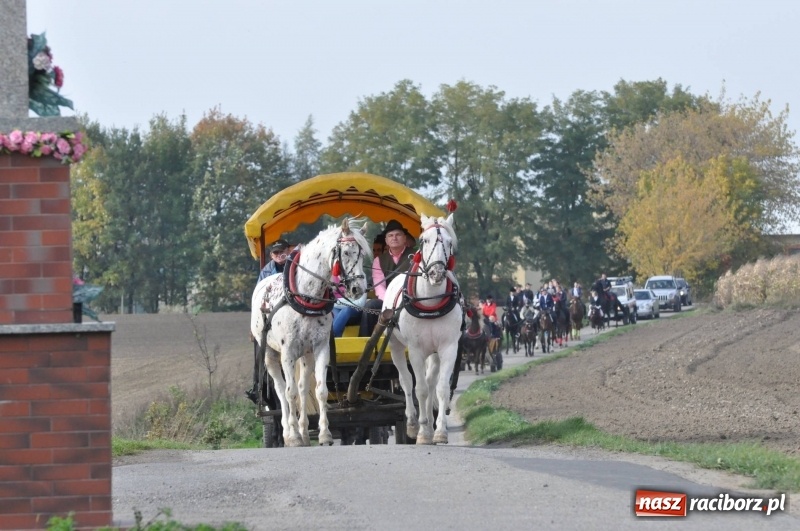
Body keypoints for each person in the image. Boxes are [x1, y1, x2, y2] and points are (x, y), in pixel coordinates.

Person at [360, 219, 415, 336]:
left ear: (405, 238)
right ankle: (364, 344)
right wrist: (390, 303)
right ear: (386, 240)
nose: (394, 238)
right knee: (370, 306)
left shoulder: (416, 256)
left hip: (412, 300)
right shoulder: (378, 260)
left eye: (398, 235)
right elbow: (379, 287)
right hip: (387, 301)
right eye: (390, 235)